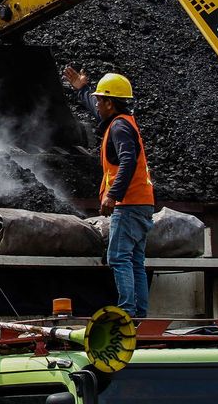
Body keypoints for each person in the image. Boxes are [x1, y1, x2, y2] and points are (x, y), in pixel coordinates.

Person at [62, 67, 156, 318]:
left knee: (118, 257)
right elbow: (97, 112)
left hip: (129, 204)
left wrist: (113, 195)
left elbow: (127, 161)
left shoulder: (119, 129)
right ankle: (138, 315)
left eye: (100, 99)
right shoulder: (121, 122)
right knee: (135, 259)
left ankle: (127, 312)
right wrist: (81, 90)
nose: (97, 104)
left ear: (111, 103)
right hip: (142, 202)